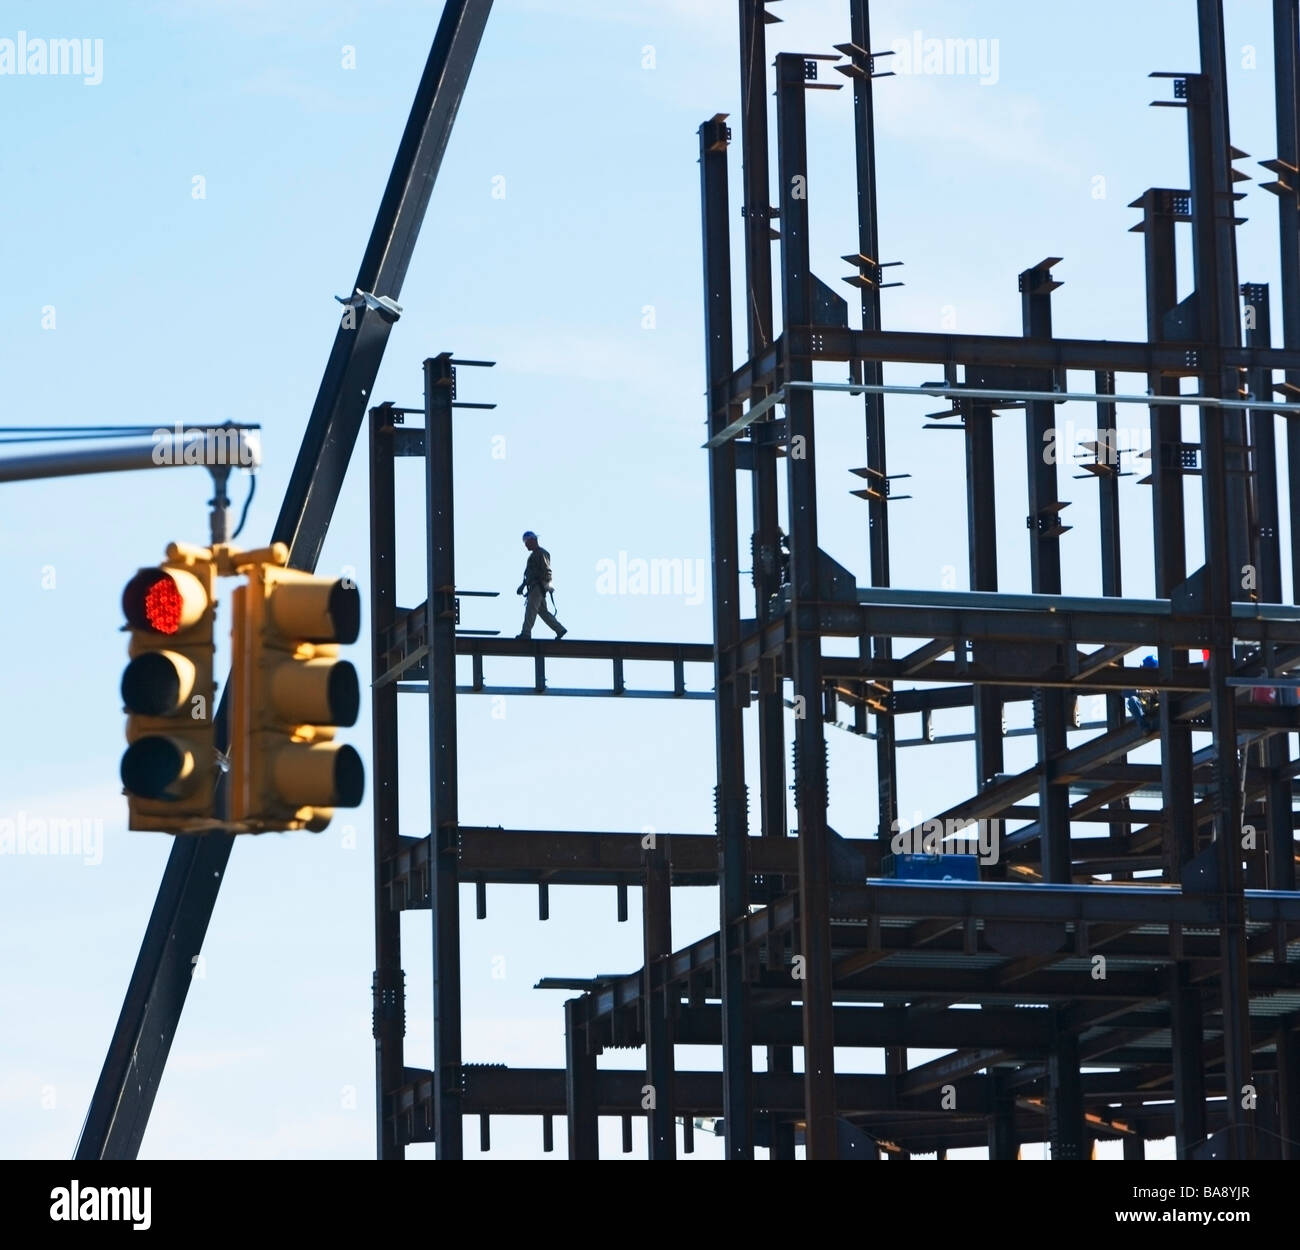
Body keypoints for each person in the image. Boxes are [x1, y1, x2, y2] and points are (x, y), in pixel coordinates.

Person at [516, 530, 567, 640]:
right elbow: (530, 574)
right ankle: (559, 629)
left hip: (538, 586)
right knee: (542, 611)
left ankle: (526, 633)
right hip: (536, 586)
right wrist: (523, 585)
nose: (525, 545)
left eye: (526, 541)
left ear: (533, 540)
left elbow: (546, 570)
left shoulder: (541, 553)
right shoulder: (534, 555)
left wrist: (545, 583)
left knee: (531, 609)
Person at [1125, 654, 1159, 731]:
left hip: (1157, 708)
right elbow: (1125, 692)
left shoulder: (1159, 679)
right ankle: (1145, 728)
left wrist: (1154, 694)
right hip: (1144, 709)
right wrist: (1140, 693)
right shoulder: (1137, 678)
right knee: (1132, 700)